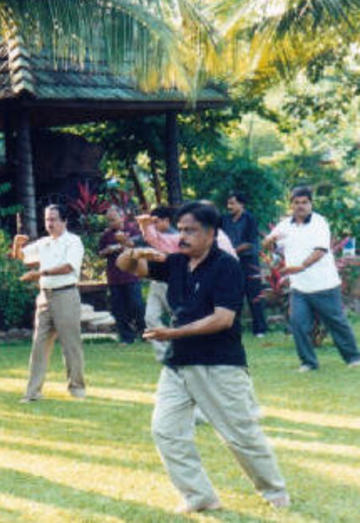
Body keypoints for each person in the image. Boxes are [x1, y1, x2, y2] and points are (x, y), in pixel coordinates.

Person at [116, 202, 289, 513]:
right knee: (165, 430)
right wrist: (134, 252)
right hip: (178, 364)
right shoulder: (178, 262)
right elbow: (127, 266)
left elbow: (223, 319)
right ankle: (200, 497)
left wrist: (173, 334)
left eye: (190, 231)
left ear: (211, 233)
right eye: (180, 230)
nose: (182, 237)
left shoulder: (227, 266)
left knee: (239, 434)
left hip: (218, 363)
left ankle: (274, 489)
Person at [263, 187, 360, 372]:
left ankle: (353, 358)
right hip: (299, 287)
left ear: (310, 203)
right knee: (298, 324)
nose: (300, 206)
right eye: (296, 202)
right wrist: (270, 241)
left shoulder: (319, 222)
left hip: (325, 284)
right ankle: (308, 362)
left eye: (304, 202)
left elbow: (320, 250)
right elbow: (268, 243)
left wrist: (301, 267)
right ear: (291, 204)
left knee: (336, 323)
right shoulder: (285, 224)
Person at [12, 204, 85, 402]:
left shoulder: (73, 242)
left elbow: (69, 267)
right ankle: (33, 392)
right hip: (45, 297)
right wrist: (17, 245)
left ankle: (77, 388)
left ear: (64, 221)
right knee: (39, 345)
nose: (49, 224)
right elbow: (23, 258)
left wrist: (41, 273)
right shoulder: (43, 243)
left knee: (70, 344)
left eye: (53, 219)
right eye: (47, 219)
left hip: (66, 295)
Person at [98, 205, 145, 344]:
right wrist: (108, 250)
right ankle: (126, 337)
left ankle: (143, 332)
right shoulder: (106, 235)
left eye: (113, 219)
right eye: (108, 220)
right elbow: (100, 253)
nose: (111, 223)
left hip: (131, 275)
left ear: (122, 217)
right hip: (114, 277)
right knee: (119, 309)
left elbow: (140, 247)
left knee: (136, 305)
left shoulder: (133, 231)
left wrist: (123, 246)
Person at [222, 192, 268, 337]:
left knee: (254, 294)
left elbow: (249, 242)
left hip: (248, 261)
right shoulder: (224, 219)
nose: (229, 206)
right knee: (233, 294)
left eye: (233, 203)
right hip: (231, 261)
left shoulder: (249, 219)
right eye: (228, 203)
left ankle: (260, 329)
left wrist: (233, 251)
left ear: (241, 204)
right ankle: (233, 328)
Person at [135, 207, 176, 362]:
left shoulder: (175, 237)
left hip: (172, 284)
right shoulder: (149, 237)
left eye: (155, 222)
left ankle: (180, 350)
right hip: (155, 283)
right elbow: (134, 245)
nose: (152, 226)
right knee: (150, 317)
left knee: (179, 319)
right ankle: (163, 354)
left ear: (167, 221)